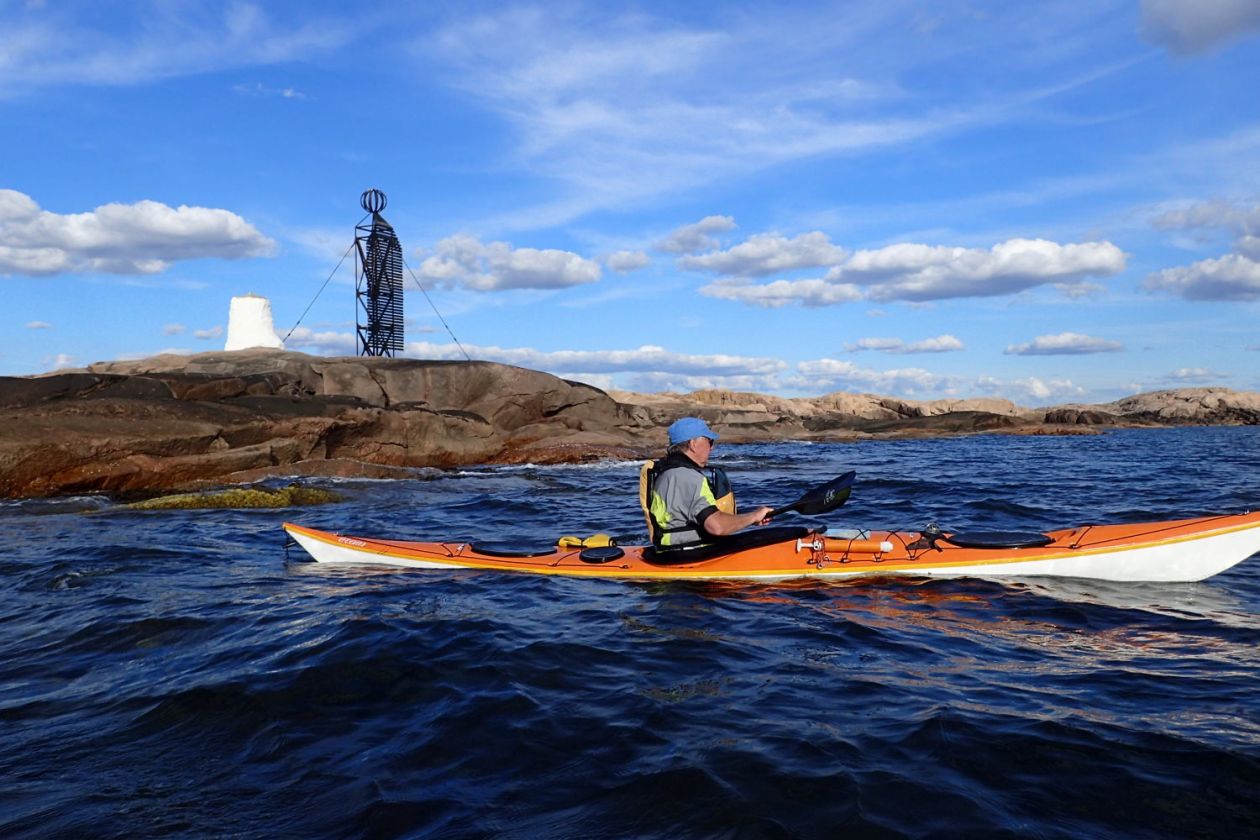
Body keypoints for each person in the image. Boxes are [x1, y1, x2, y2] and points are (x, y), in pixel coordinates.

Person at [643, 417, 773, 548]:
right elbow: (716, 527)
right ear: (693, 443)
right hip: (691, 554)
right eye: (710, 442)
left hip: (670, 550)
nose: (712, 448)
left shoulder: (666, 474)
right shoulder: (688, 477)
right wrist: (754, 516)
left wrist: (747, 521)